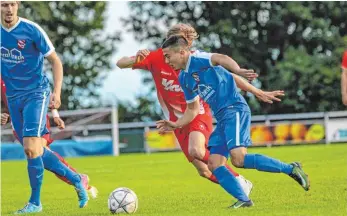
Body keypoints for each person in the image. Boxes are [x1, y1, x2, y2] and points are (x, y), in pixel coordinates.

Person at [117, 23, 282, 194]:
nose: (187, 46)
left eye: (187, 43)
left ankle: (239, 181)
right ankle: (236, 180)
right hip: (176, 120)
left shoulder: (195, 59)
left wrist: (257, 91)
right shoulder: (155, 58)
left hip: (197, 112)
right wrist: (135, 58)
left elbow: (229, 76)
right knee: (204, 171)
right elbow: (120, 63)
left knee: (196, 149)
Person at [158, 35, 310, 209]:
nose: (166, 60)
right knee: (214, 163)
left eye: (168, 56)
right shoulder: (184, 79)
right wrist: (176, 124)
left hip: (234, 109)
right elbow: (192, 110)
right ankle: (244, 200)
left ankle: (291, 169)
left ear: (182, 52)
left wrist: (238, 70)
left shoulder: (198, 58)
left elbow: (221, 58)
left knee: (238, 158)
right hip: (222, 118)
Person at [1, 1, 89, 213]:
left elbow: (56, 61)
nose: (9, 9)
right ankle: (77, 179)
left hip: (36, 94)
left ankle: (35, 202)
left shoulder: (32, 30)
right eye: (4, 4)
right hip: (13, 99)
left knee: (32, 147)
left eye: (12, 4)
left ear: (18, 5)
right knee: (35, 151)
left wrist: (56, 94)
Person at [1, 79, 98, 198]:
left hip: (36, 115)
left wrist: (55, 114)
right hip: (18, 123)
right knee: (40, 156)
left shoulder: (18, 64)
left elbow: (41, 87)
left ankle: (77, 180)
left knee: (39, 152)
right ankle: (78, 179)